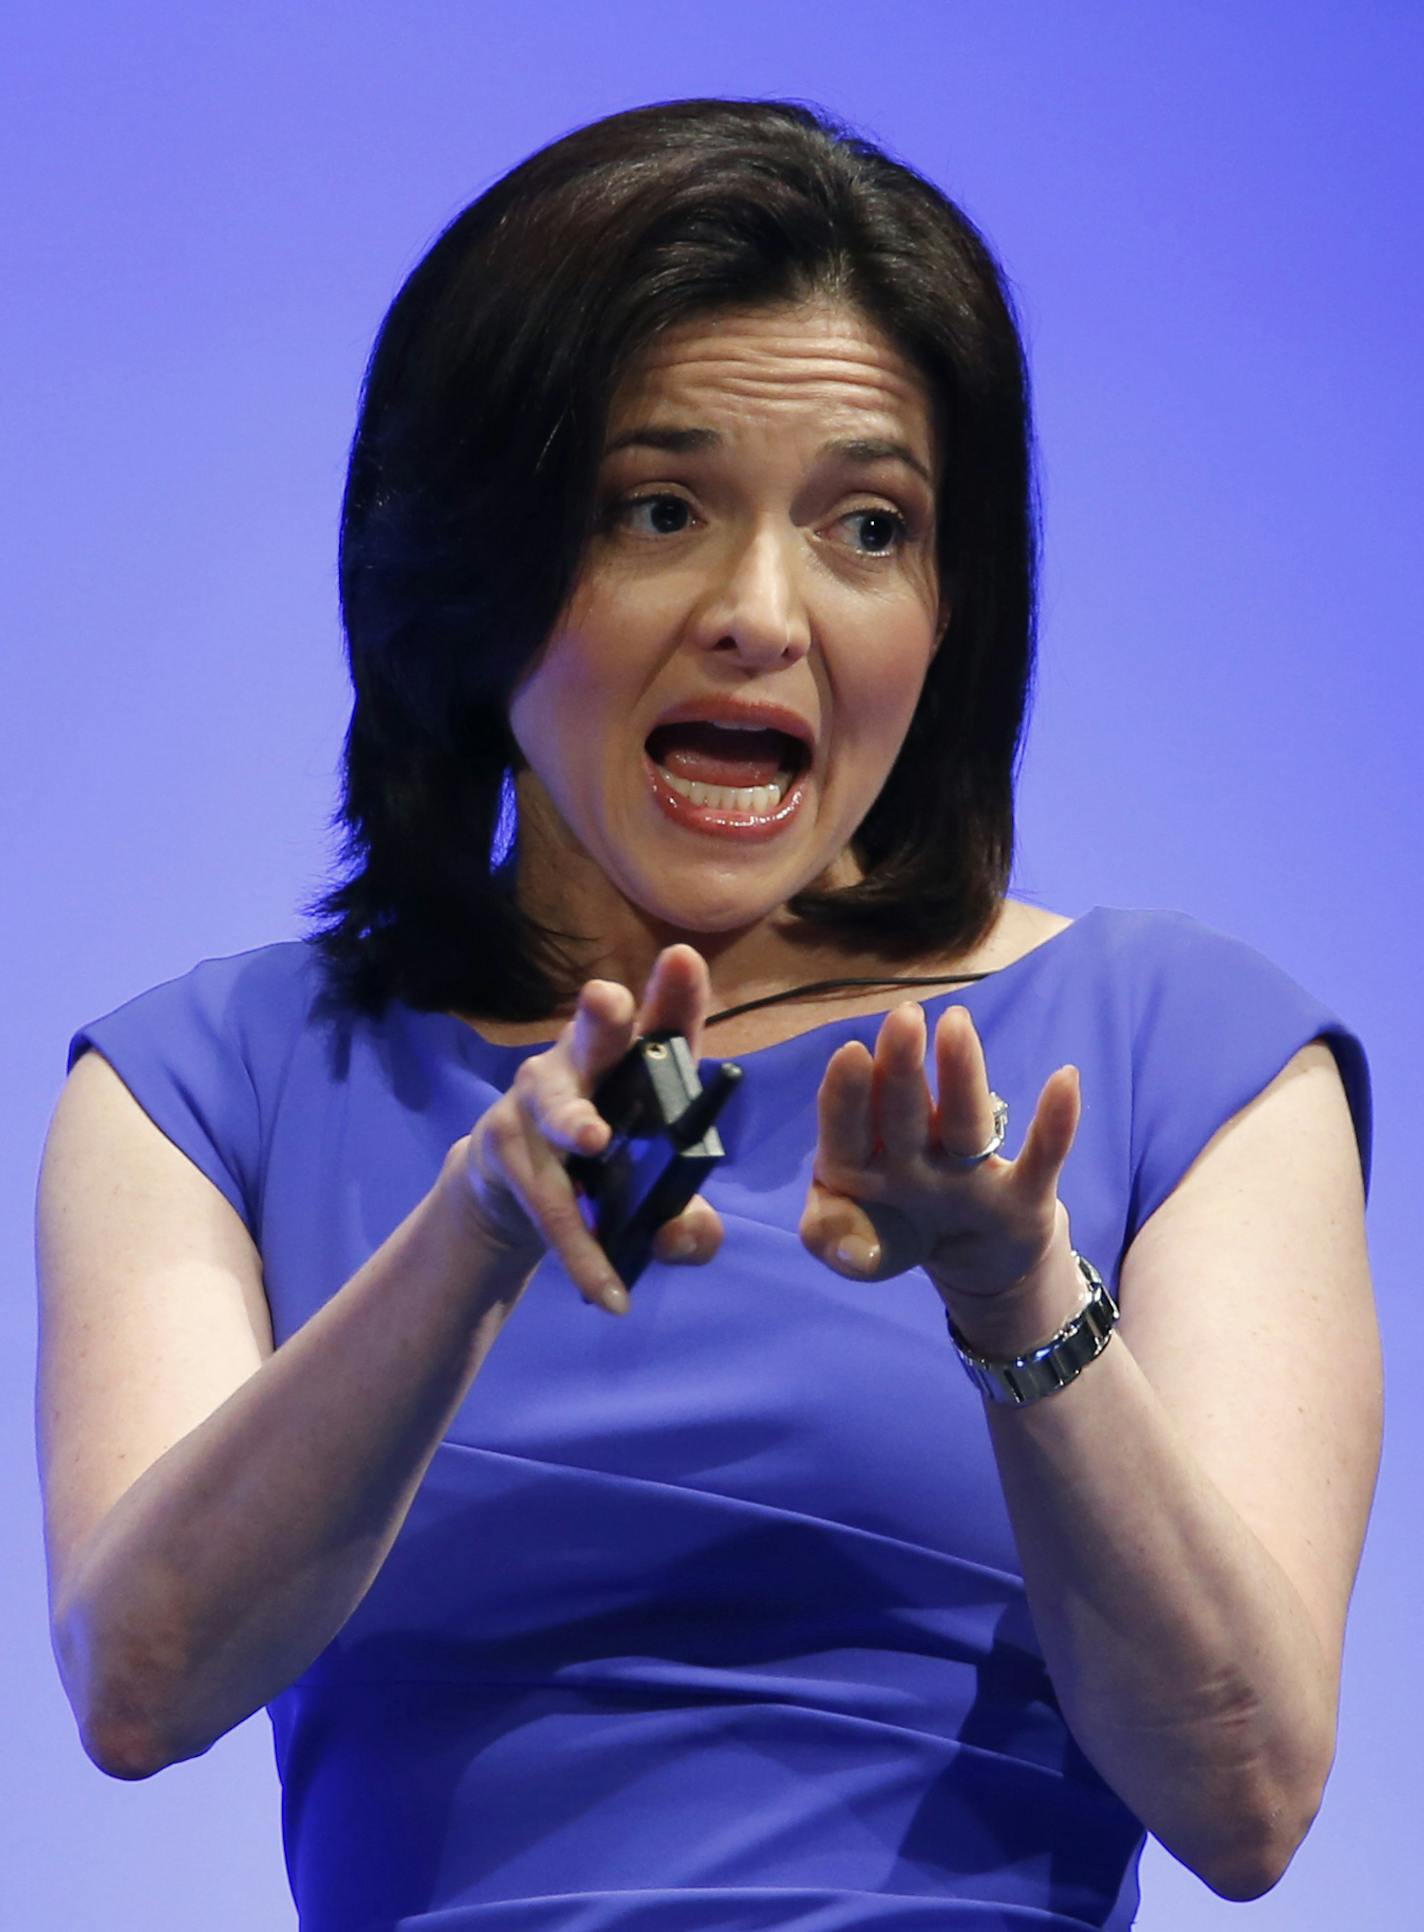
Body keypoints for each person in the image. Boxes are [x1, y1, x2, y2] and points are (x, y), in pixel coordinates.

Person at [36, 99, 1379, 1931]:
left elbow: (1246, 1800)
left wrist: (1016, 1299)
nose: (765, 613)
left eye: (869, 527)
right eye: (659, 509)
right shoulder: (205, 1087)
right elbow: (140, 1686)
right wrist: (474, 1235)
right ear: (470, 563)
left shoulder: (1188, 1058)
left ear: (952, 606)